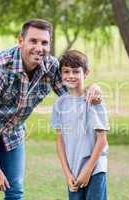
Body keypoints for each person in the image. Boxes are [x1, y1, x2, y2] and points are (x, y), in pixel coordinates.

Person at [0, 19, 102, 200]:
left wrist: (94, 88)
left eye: (44, 42)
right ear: (21, 41)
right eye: (33, 41)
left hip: (13, 129)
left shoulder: (50, 67)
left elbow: (74, 95)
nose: (39, 47)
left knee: (15, 190)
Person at [51, 50, 109, 200]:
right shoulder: (60, 104)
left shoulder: (93, 100)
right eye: (66, 71)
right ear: (61, 74)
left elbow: (102, 139)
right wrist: (67, 174)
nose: (71, 75)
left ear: (86, 72)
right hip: (73, 171)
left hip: (95, 169)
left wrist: (88, 170)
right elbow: (60, 140)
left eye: (76, 71)